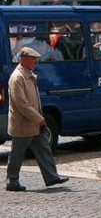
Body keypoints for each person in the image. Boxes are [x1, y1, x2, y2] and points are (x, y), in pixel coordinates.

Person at [5, 47, 69, 192]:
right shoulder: (17, 77)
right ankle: (12, 181)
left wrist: (38, 118)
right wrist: (39, 117)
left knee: (44, 148)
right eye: (33, 59)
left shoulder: (28, 75)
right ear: (24, 59)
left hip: (33, 122)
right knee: (17, 153)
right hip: (23, 124)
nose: (36, 62)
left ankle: (52, 176)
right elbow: (21, 104)